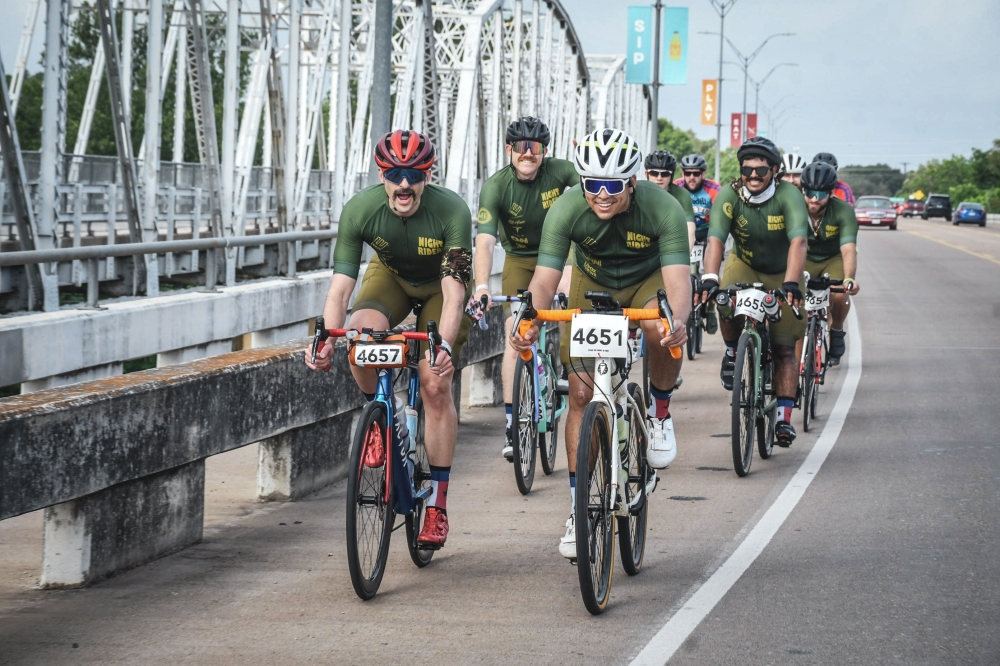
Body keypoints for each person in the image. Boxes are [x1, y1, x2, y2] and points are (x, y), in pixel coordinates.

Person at [511, 128, 691, 559]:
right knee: (579, 393)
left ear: (632, 181)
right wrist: (527, 320)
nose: (602, 195)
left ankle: (659, 412)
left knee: (658, 329)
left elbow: (678, 284)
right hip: (591, 284)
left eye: (613, 185)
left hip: (646, 281)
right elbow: (544, 278)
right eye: (593, 184)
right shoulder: (568, 208)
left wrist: (678, 320)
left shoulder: (662, 207)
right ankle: (579, 508)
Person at [305, 130, 473, 549]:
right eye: (394, 174)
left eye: (413, 175)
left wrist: (444, 349)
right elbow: (341, 289)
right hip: (392, 278)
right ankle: (380, 415)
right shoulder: (360, 209)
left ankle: (437, 504)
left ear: (427, 175)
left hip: (440, 288)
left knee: (434, 384)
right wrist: (324, 337)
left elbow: (454, 292)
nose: (403, 184)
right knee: (358, 338)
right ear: (381, 175)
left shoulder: (452, 210)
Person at [472, 117, 578, 461]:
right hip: (519, 259)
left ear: (545, 152)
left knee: (566, 310)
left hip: (560, 255)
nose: (528, 154)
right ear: (509, 150)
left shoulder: (561, 171)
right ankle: (511, 421)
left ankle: (565, 371)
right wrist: (483, 285)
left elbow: (592, 194)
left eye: (535, 148)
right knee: (514, 333)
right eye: (522, 148)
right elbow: (485, 242)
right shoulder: (496, 187)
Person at [698, 136, 808, 446]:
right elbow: (717, 239)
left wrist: (790, 283)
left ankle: (784, 419)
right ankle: (734, 352)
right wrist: (709, 275)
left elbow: (799, 241)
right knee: (725, 300)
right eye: (748, 171)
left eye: (761, 171)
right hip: (745, 264)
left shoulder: (789, 195)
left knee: (785, 347)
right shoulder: (730, 195)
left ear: (775, 170)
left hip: (784, 270)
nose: (754, 177)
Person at [799, 161, 861, 364]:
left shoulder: (843, 211)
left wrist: (849, 278)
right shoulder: (793, 207)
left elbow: (848, 249)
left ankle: (836, 330)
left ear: (831, 193)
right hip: (803, 257)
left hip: (831, 258)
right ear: (802, 190)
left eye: (821, 194)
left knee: (838, 293)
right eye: (809, 192)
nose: (814, 198)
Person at [675, 153, 723, 334]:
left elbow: (720, 220)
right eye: (688, 173)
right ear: (682, 173)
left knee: (711, 270)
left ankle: (710, 308)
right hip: (684, 231)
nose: (691, 177)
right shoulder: (676, 187)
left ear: (703, 174)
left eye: (696, 173)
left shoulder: (715, 190)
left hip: (706, 232)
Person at [643, 150, 697, 247]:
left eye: (665, 174)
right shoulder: (637, 192)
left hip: (670, 240)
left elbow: (690, 229)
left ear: (671, 176)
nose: (659, 178)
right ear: (647, 174)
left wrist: (685, 256)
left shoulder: (682, 194)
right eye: (654, 173)